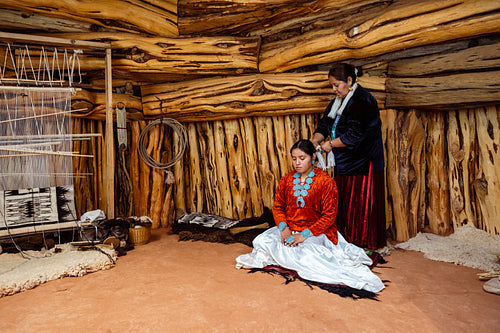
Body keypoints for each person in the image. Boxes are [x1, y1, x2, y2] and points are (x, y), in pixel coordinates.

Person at [235, 139, 385, 294]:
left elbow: (329, 217)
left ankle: (296, 255)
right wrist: (283, 227)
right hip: (290, 228)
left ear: (313, 157)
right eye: (294, 159)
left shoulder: (326, 182)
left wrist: (304, 235)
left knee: (308, 254)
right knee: (261, 241)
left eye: (302, 158)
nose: (297, 163)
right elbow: (278, 207)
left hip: (317, 232)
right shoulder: (286, 180)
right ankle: (288, 251)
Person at [310, 63, 386, 250]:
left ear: (349, 80)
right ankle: (347, 239)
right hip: (345, 161)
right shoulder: (339, 101)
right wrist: (315, 140)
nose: (334, 89)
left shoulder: (363, 101)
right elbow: (325, 125)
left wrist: (330, 144)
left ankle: (363, 243)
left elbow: (355, 135)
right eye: (332, 86)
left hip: (363, 161)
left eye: (337, 85)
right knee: (345, 202)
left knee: (361, 204)